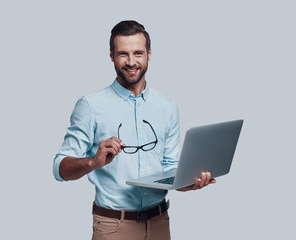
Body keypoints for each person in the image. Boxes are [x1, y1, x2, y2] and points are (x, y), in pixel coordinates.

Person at [53, 20, 216, 240]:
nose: (131, 62)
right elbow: (59, 168)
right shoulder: (91, 106)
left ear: (149, 54)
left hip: (160, 223)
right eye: (123, 54)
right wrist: (93, 162)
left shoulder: (167, 106)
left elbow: (170, 169)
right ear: (111, 56)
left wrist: (191, 183)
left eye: (138, 53)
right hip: (114, 227)